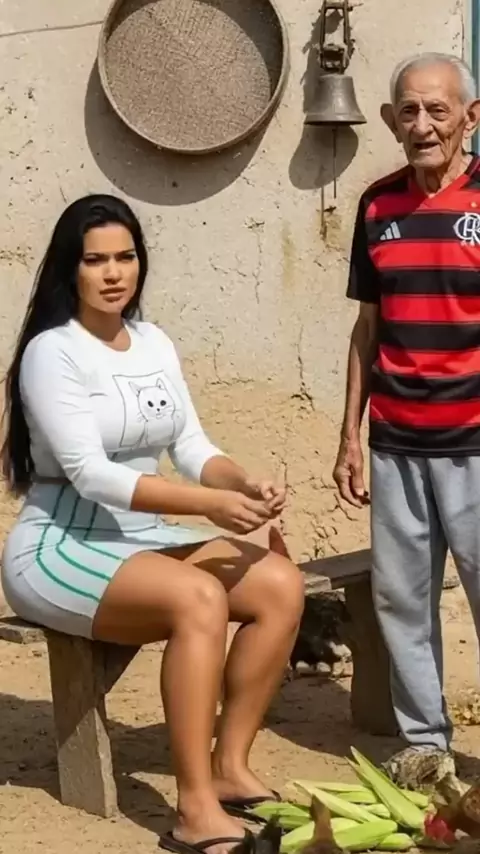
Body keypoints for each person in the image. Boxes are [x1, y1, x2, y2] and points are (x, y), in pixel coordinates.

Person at [0, 194, 305, 854]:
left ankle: (229, 767)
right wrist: (206, 507)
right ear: (70, 268)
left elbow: (191, 446)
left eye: (126, 256)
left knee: (280, 584)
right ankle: (195, 812)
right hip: (59, 546)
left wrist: (240, 482)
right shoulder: (53, 353)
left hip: (138, 539)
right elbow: (91, 475)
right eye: (95, 260)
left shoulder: (153, 341)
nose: (114, 273)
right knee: (199, 598)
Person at [333, 52, 480, 785]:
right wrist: (348, 435)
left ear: (470, 119)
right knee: (401, 602)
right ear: (392, 120)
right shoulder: (377, 206)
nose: (423, 125)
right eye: (409, 111)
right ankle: (425, 743)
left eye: (438, 110)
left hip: (477, 445)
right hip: (395, 443)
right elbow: (368, 328)